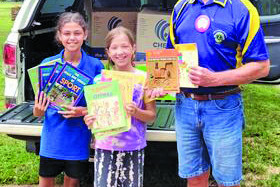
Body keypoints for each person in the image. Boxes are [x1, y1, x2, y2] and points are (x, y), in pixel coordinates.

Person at [152, 0, 270, 187]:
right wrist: (161, 84)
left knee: (228, 182)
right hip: (186, 106)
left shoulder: (242, 8)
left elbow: (261, 67)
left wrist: (214, 79)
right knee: (195, 177)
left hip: (223, 107)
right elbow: (170, 59)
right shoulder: (181, 7)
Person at [33, 12, 104, 187]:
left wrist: (82, 111)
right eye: (67, 33)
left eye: (77, 33)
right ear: (59, 35)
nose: (72, 38)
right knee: (45, 182)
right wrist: (38, 111)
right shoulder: (47, 64)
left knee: (72, 183)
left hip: (78, 137)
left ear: (85, 34)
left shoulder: (96, 66)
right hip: (52, 137)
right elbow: (38, 110)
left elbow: (103, 105)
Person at [84, 26, 156, 187]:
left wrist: (136, 112)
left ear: (133, 48)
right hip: (105, 147)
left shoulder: (144, 79)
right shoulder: (99, 80)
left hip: (133, 146)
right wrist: (89, 120)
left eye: (125, 46)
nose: (120, 52)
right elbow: (92, 116)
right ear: (108, 52)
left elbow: (151, 116)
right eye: (114, 48)